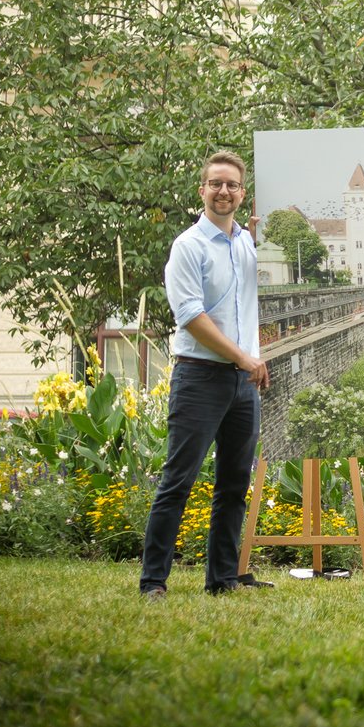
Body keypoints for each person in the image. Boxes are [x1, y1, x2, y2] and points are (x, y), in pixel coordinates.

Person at [140, 151, 272, 600]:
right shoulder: (188, 246)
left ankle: (222, 578)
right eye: (216, 183)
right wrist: (245, 359)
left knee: (234, 484)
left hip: (243, 384)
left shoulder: (247, 245)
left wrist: (261, 236)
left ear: (242, 194)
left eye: (232, 185)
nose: (223, 191)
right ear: (202, 190)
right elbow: (193, 318)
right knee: (178, 480)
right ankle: (153, 581)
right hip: (199, 377)